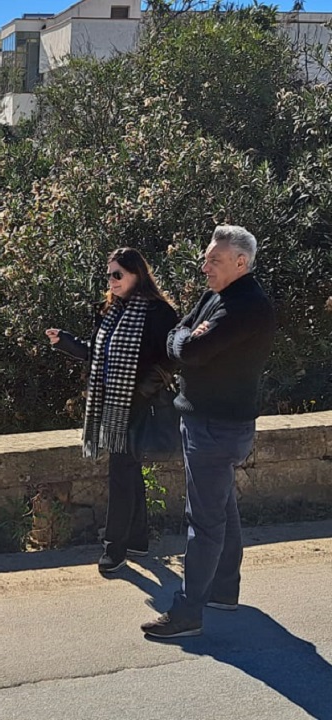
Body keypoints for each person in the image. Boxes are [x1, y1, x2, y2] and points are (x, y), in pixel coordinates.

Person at [141, 225, 276, 639]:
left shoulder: (247, 307)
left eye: (214, 260)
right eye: (206, 258)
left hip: (218, 426)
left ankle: (188, 614)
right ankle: (223, 590)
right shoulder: (218, 297)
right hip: (204, 421)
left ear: (241, 262)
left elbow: (192, 350)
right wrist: (187, 338)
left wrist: (187, 340)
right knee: (221, 508)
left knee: (204, 521)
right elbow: (176, 337)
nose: (204, 267)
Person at [47, 247, 178, 574]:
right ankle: (137, 540)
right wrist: (63, 341)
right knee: (128, 471)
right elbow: (96, 353)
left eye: (117, 274)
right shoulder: (109, 309)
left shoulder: (159, 312)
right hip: (112, 403)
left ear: (137, 274)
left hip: (139, 404)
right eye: (109, 274)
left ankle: (114, 549)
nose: (112, 280)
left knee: (121, 473)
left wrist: (142, 390)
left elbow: (171, 359)